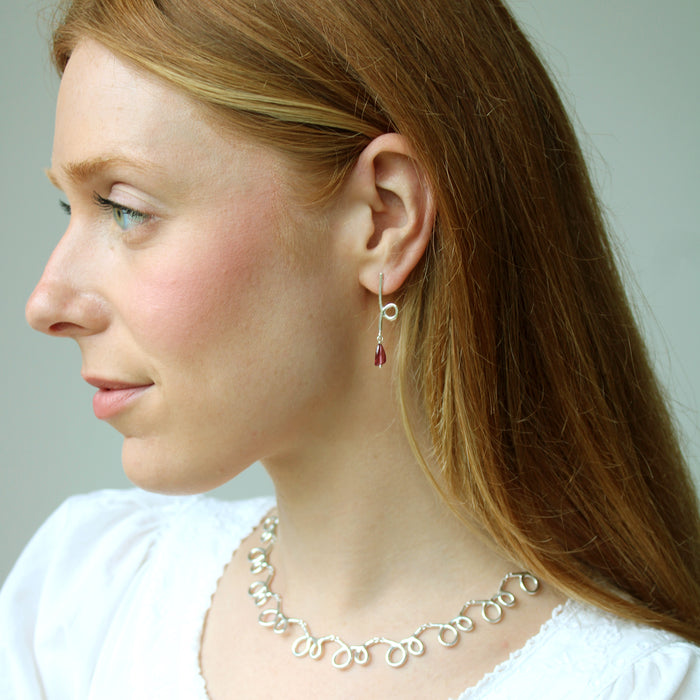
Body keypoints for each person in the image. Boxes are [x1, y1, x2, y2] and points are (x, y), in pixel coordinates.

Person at [1, 0, 699, 697]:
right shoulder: (85, 604)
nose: (48, 304)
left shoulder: (638, 686)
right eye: (72, 208)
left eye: (126, 209)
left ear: (382, 219)